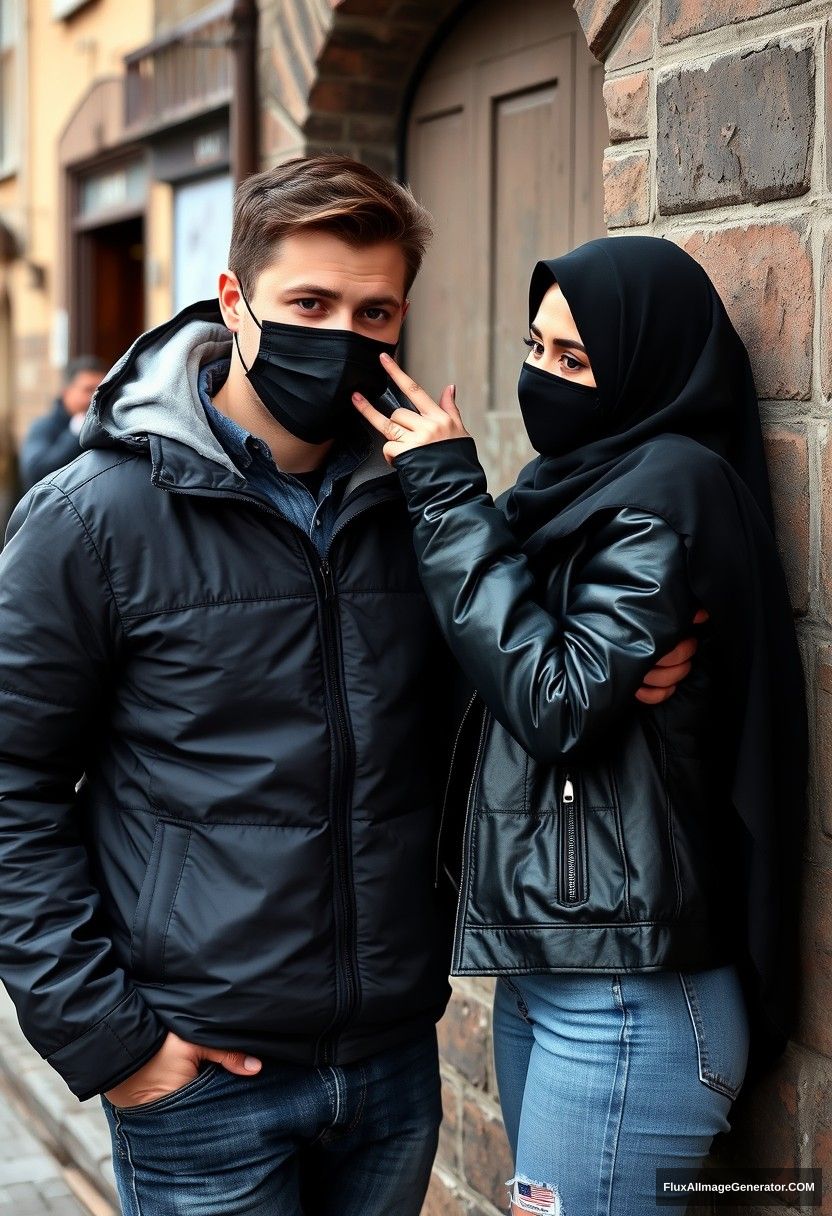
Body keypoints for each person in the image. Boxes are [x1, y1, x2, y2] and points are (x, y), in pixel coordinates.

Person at [0, 160, 697, 1216]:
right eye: (308, 304)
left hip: (386, 1068)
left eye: (373, 311)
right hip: (202, 1082)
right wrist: (110, 1039)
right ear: (234, 302)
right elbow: (11, 783)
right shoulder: (91, 515)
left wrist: (629, 654)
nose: (341, 334)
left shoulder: (430, 508)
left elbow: (497, 699)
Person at [354, 235, 808, 1216]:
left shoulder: (665, 490)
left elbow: (554, 699)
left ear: (647, 362)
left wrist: (443, 491)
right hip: (562, 980)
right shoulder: (578, 496)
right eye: (535, 348)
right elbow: (502, 658)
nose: (542, 378)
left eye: (573, 359)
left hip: (630, 1000)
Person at [18, 355, 104, 491]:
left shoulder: (105, 427)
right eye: (88, 390)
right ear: (66, 392)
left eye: (100, 390)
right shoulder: (43, 427)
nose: (95, 397)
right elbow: (36, 472)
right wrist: (75, 433)